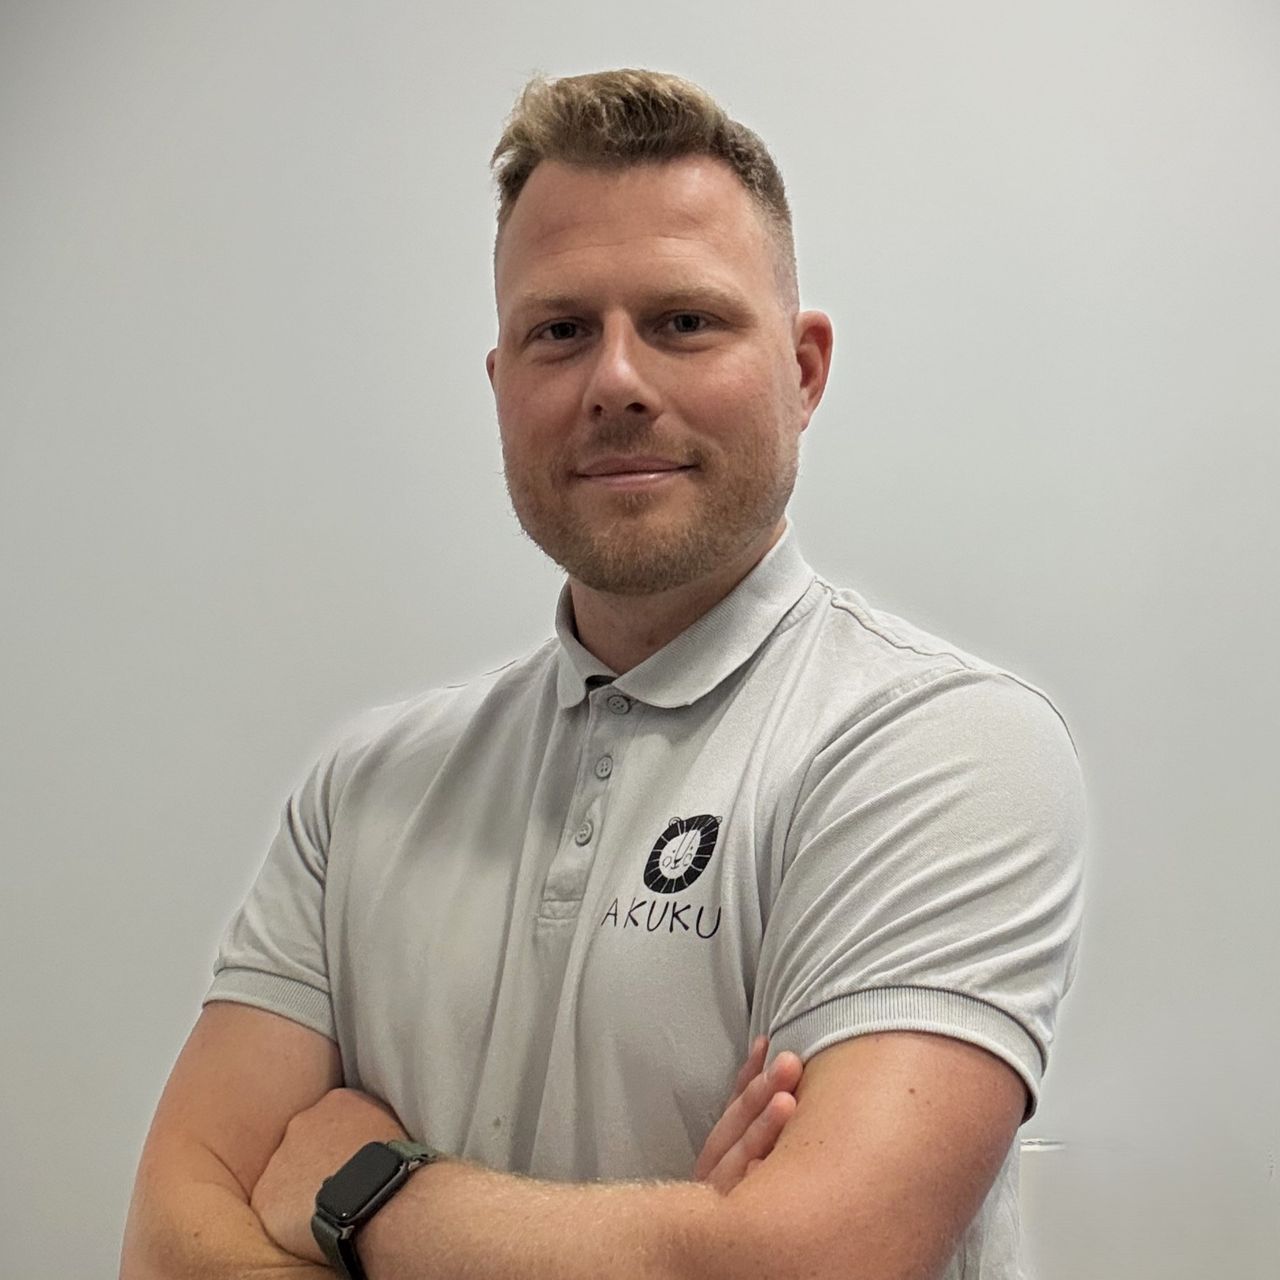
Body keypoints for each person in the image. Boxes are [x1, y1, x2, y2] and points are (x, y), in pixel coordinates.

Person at [120, 69, 1086, 1280]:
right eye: (560, 331)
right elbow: (169, 1243)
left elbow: (806, 1263)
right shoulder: (360, 792)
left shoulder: (940, 747)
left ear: (802, 370)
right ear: (500, 387)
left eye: (683, 322)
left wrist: (366, 1191)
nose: (615, 380)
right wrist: (683, 1241)